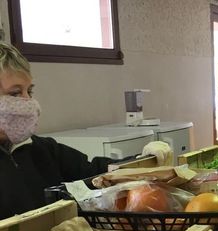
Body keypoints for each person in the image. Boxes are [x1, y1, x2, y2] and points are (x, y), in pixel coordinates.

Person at [0, 42, 172, 220]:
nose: (28, 101)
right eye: (15, 94)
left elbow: (95, 172)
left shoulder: (41, 150)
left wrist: (141, 161)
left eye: (29, 91)